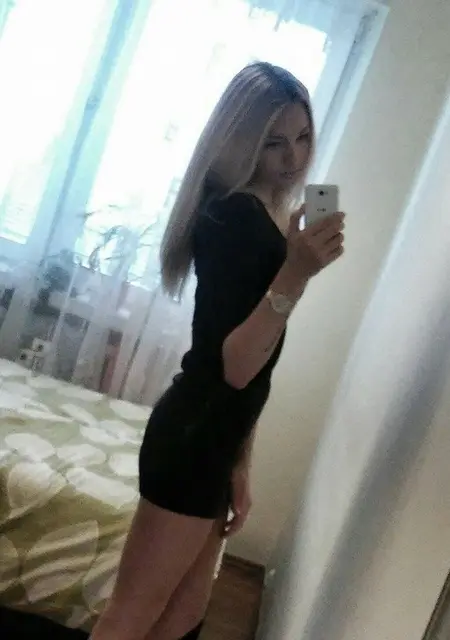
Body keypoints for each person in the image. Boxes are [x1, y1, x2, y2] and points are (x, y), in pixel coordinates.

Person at [90, 61, 345, 640]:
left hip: (214, 437)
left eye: (303, 136)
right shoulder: (232, 216)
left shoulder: (266, 213)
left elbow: (255, 373)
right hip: (193, 437)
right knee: (131, 615)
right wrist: (297, 272)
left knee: (182, 615)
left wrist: (240, 463)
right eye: (274, 142)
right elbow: (235, 365)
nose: (294, 157)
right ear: (241, 142)